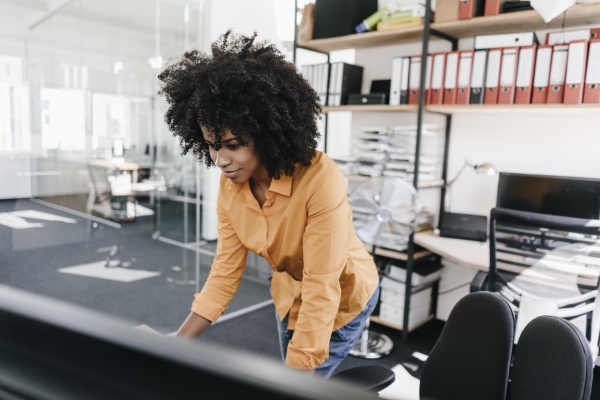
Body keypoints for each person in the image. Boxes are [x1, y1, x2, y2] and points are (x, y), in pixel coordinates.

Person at [158, 31, 379, 378]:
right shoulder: (230, 186)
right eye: (212, 145)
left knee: (299, 381)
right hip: (289, 294)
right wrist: (170, 347)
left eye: (232, 144)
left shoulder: (321, 179)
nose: (219, 159)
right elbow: (223, 275)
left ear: (265, 132)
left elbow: (323, 285)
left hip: (342, 297)